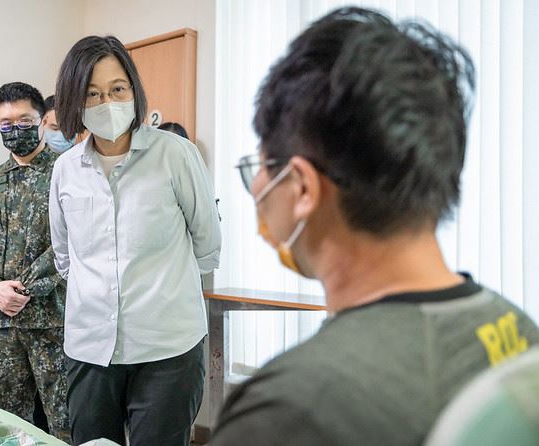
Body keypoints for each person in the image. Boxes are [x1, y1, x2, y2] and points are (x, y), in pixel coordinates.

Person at [210, 8, 539, 445]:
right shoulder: (518, 329)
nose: (255, 186)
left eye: (263, 164)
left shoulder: (291, 409)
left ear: (303, 186)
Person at [50, 35, 221, 446]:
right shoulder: (65, 169)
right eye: (92, 94)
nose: (107, 102)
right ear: (74, 101)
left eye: (117, 89)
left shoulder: (175, 155)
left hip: (167, 348)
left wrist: (162, 291)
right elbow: (65, 256)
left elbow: (207, 244)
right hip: (90, 348)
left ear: (134, 91)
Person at [0, 82, 69, 441]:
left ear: (42, 121)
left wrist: (27, 288)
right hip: (0, 326)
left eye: (24, 120)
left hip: (55, 320)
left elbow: (76, 243)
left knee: (65, 417)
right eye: (5, 123)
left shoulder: (67, 173)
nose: (15, 129)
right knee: (4, 421)